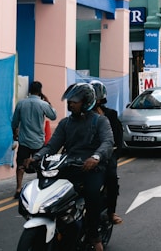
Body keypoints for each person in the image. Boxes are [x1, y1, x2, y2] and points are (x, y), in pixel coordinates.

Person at [28, 83, 113, 251]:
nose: (70, 104)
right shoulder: (65, 123)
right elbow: (52, 145)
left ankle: (94, 235)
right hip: (68, 165)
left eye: (75, 101)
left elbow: (107, 142)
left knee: (91, 193)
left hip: (92, 167)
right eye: (69, 101)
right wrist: (36, 157)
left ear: (86, 101)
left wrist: (96, 157)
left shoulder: (100, 121)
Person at [11, 81, 57, 199]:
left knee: (20, 165)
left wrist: (14, 134)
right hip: (38, 141)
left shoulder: (21, 103)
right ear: (40, 91)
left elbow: (15, 122)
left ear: (29, 90)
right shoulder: (43, 104)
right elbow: (53, 116)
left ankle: (18, 188)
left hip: (24, 140)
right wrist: (48, 101)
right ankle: (39, 188)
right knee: (39, 166)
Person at [90, 80, 124, 225]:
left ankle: (111, 212)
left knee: (111, 179)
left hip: (106, 155)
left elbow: (116, 138)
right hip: (84, 156)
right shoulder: (79, 116)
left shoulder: (110, 115)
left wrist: (112, 154)